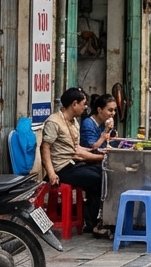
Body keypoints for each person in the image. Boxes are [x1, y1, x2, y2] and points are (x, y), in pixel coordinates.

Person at [41, 88, 108, 236]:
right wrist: (51, 173)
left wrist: (95, 153)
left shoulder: (74, 122)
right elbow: (45, 148)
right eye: (83, 104)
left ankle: (93, 219)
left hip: (74, 164)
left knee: (102, 172)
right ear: (74, 104)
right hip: (62, 168)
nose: (85, 107)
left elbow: (75, 148)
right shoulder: (54, 122)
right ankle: (94, 224)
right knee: (98, 180)